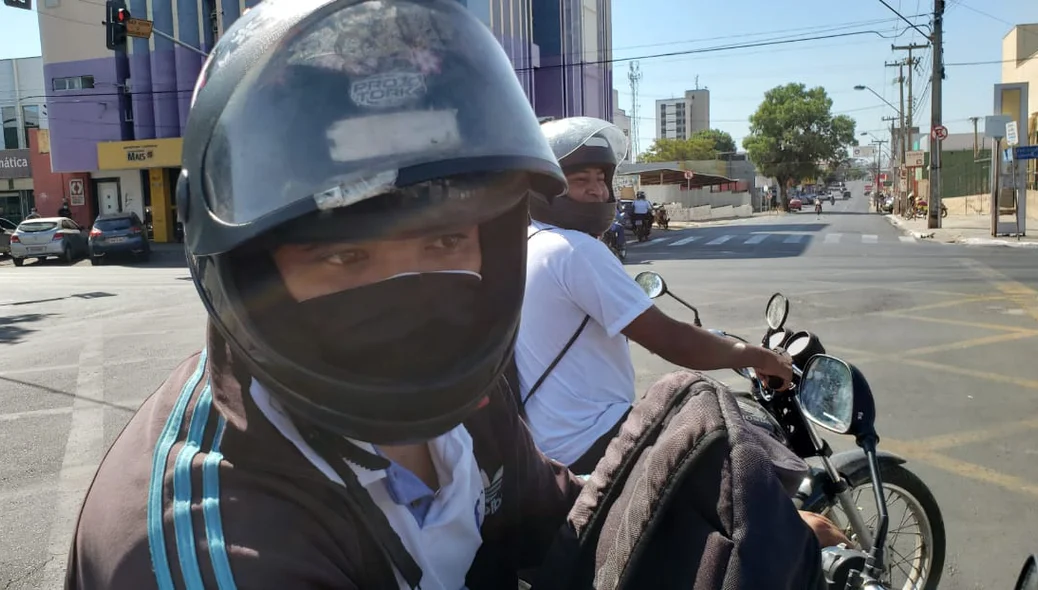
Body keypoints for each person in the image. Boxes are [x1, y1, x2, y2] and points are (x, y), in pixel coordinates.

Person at [65, 2, 583, 588]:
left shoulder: (466, 403)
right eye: (346, 256)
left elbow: (553, 520)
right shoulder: (220, 548)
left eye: (444, 241)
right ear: (248, 267)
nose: (409, 307)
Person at [517, 117, 794, 474]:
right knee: (743, 463)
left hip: (550, 442)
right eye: (580, 181)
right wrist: (760, 357)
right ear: (546, 190)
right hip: (592, 440)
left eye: (601, 179)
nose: (598, 192)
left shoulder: (531, 242)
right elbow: (671, 341)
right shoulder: (575, 250)